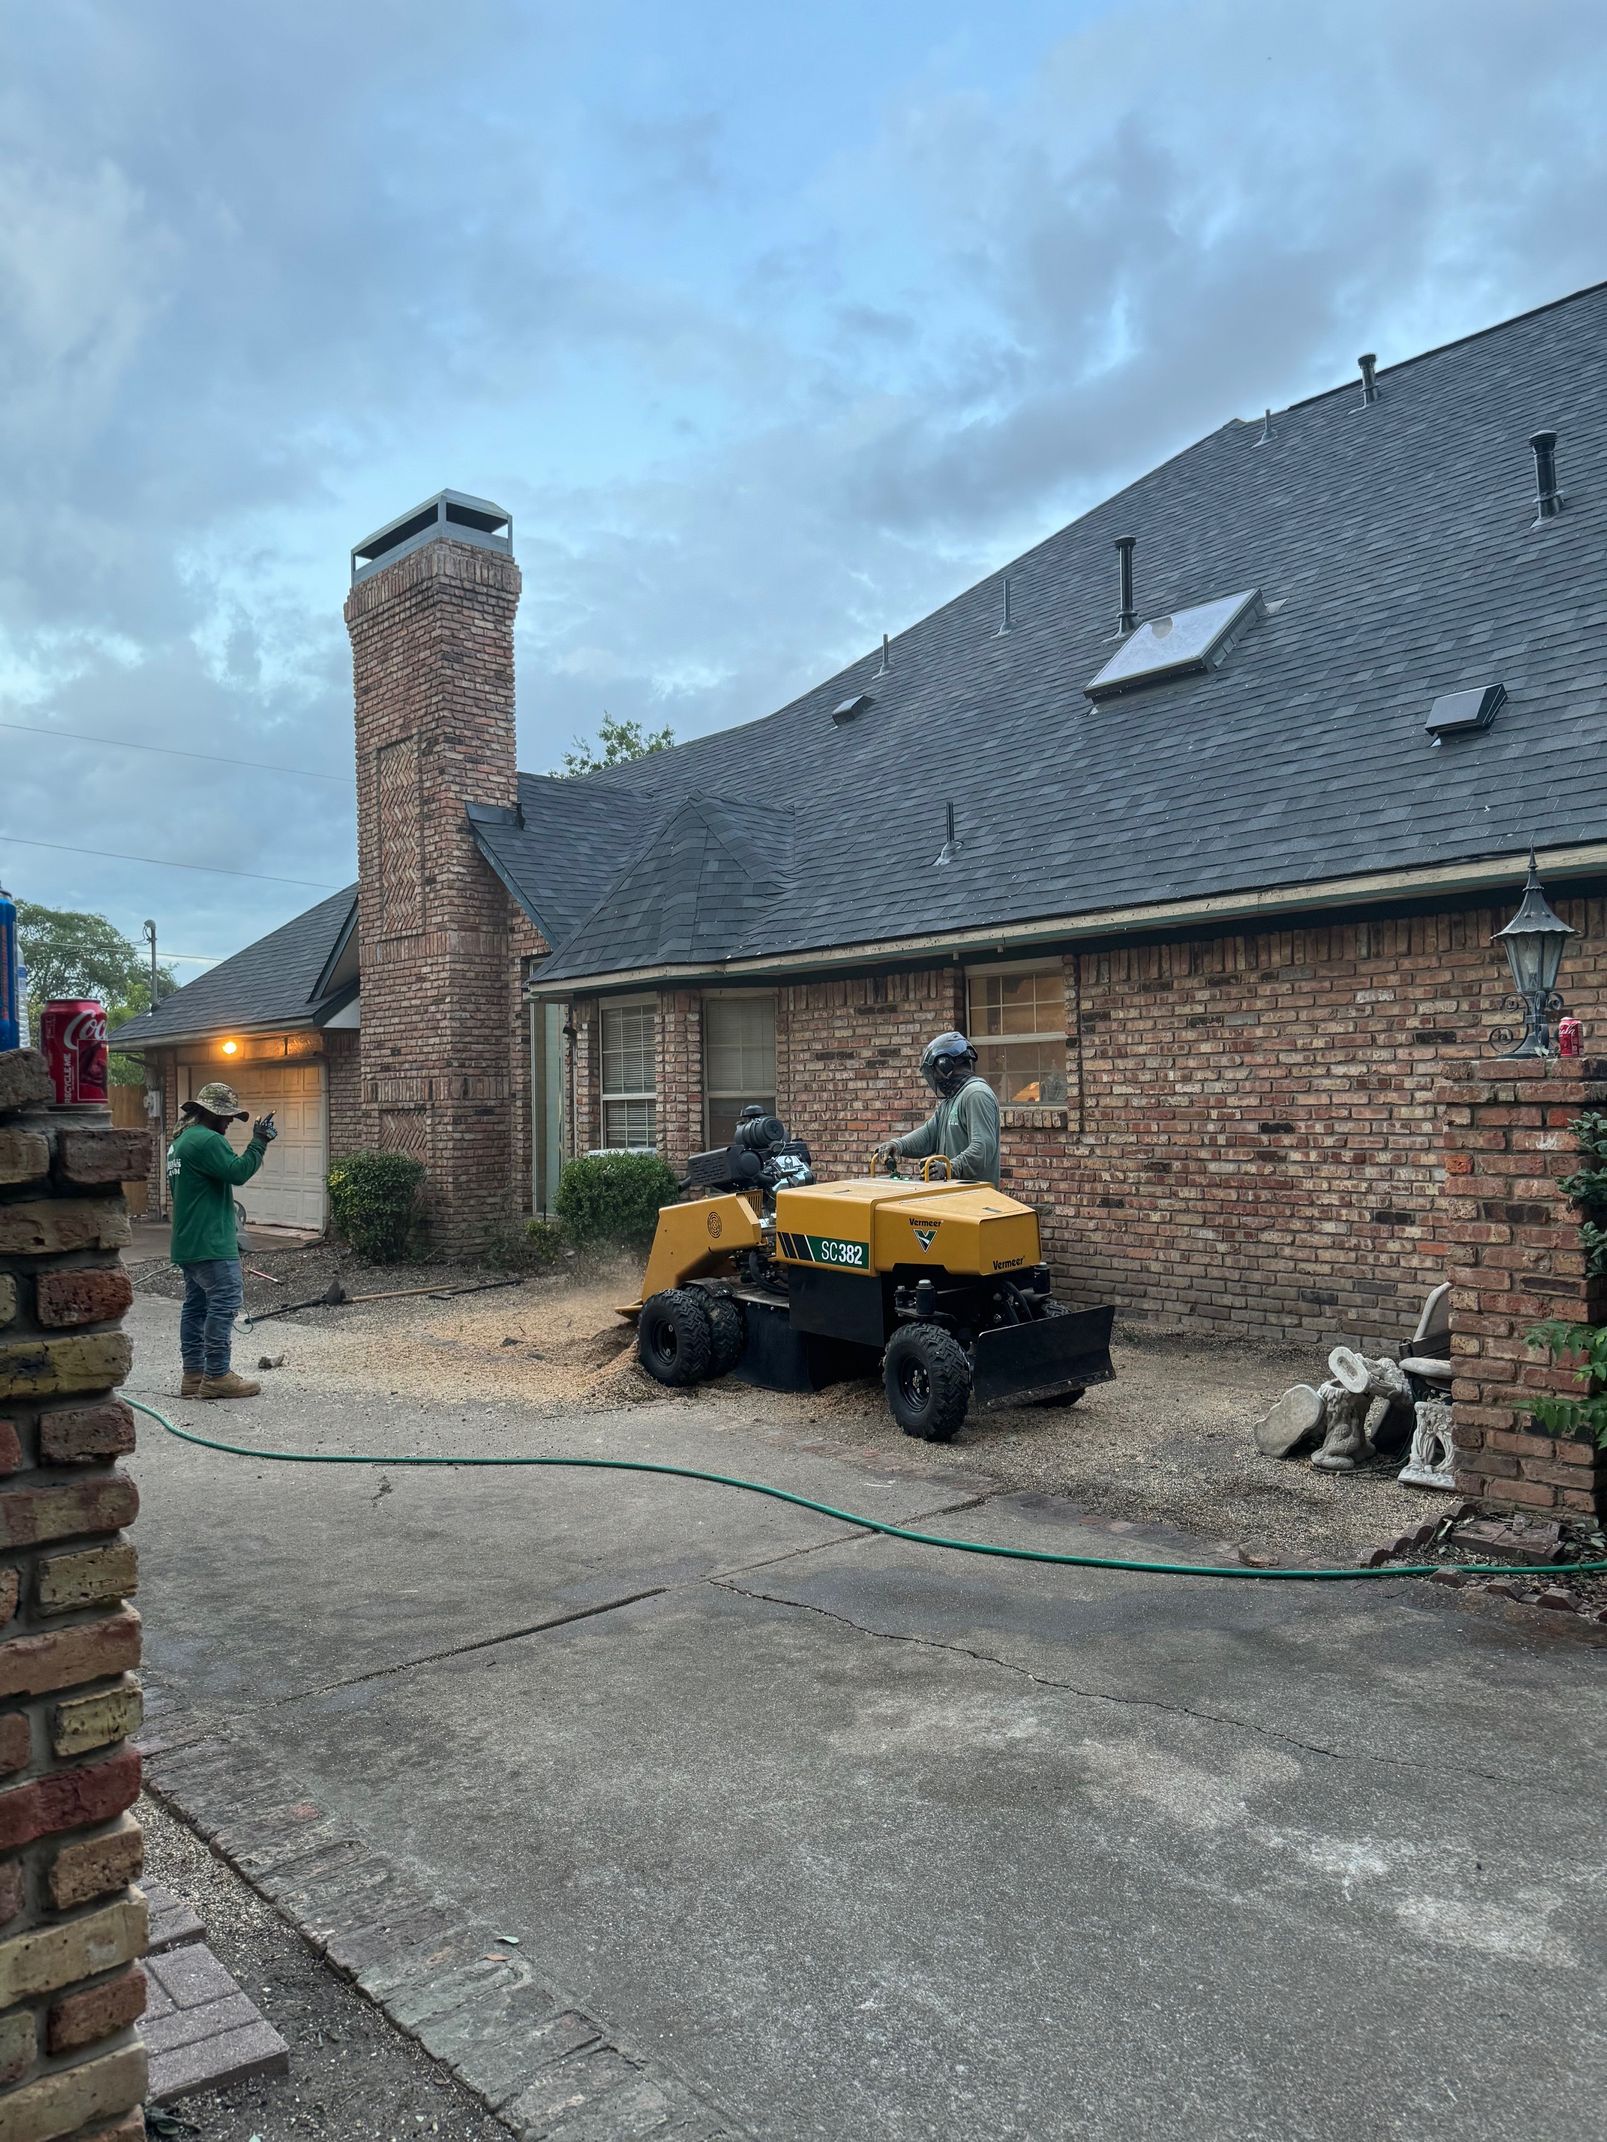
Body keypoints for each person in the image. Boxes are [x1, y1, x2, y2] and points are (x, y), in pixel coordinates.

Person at [166, 1080, 277, 1400]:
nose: (229, 1121)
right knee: (225, 1301)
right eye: (226, 1116)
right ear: (209, 1113)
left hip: (188, 1241)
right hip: (211, 1242)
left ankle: (194, 1374)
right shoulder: (207, 1141)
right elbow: (238, 1172)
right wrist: (259, 1142)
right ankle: (217, 1375)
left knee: (196, 1307)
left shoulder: (181, 1142)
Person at [877, 1031, 1000, 1186]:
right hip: (955, 1197)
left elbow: (982, 1148)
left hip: (976, 1199)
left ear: (945, 1064)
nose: (935, 1077)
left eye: (934, 1071)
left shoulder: (976, 1094)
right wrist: (898, 1145)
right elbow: (928, 1135)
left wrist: (949, 1168)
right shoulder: (951, 1100)